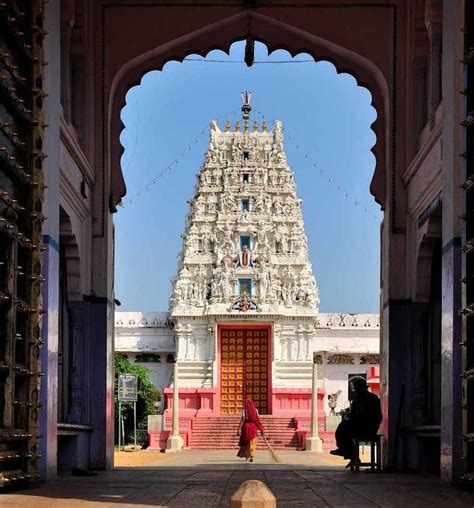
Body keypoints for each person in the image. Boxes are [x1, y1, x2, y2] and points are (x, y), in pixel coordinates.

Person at [330, 377, 382, 467]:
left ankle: (348, 453)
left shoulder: (361, 399)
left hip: (364, 427)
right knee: (345, 430)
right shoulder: (373, 397)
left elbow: (357, 415)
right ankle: (352, 455)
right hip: (371, 427)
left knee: (343, 429)